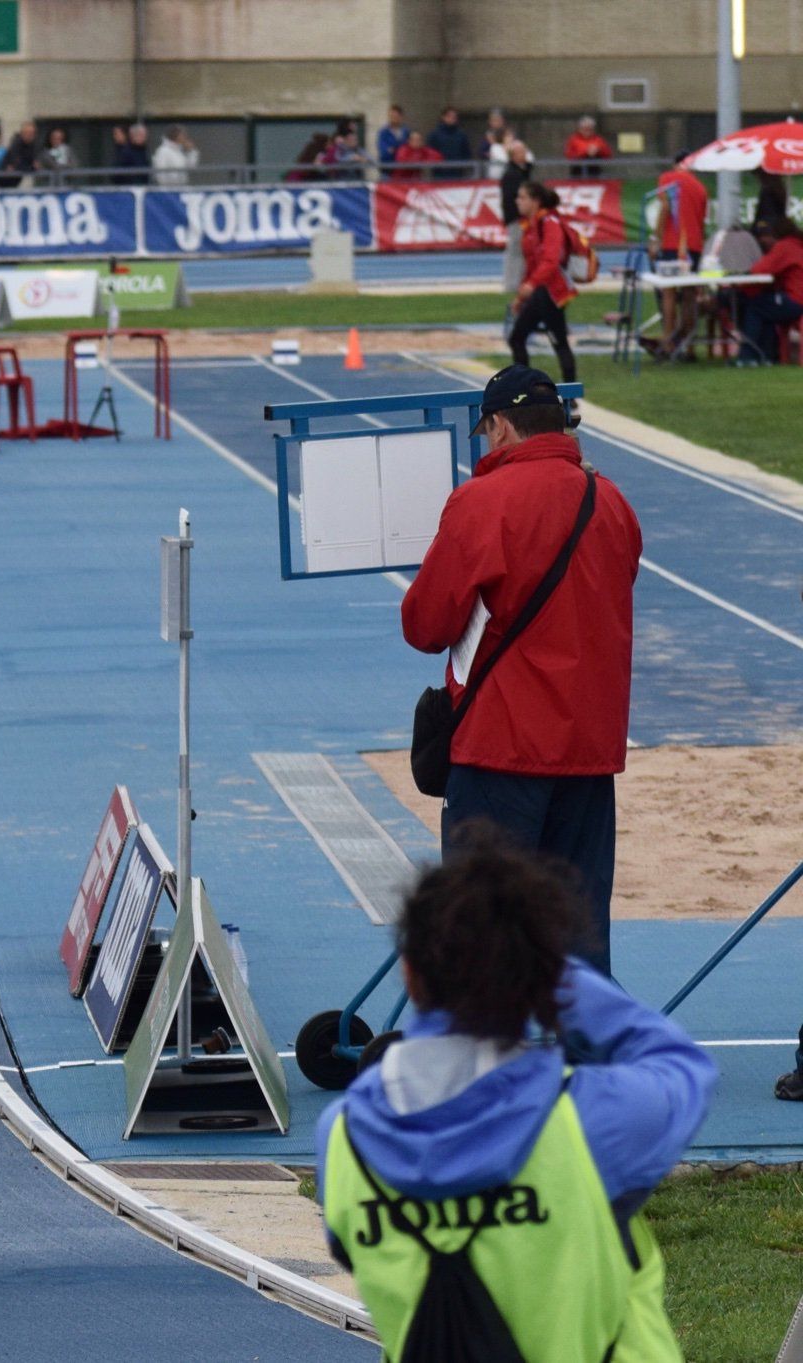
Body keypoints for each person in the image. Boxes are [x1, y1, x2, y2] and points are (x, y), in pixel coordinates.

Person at [316, 828, 714, 1362]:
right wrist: (564, 982)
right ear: (537, 980)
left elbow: (350, 1251)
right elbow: (686, 1068)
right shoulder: (594, 1119)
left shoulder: (342, 1137)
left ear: (410, 976)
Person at [401, 366, 642, 975]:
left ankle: (483, 1066)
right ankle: (587, 1063)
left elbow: (425, 626)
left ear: (501, 426)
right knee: (580, 932)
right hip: (589, 746)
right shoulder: (610, 500)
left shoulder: (482, 501)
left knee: (478, 928)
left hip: (501, 745)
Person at [509, 181, 580, 385]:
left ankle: (570, 394)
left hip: (552, 291)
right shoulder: (531, 226)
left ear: (535, 201)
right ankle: (523, 388)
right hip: (540, 289)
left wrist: (531, 285)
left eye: (522, 197)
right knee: (518, 338)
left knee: (557, 340)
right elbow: (531, 264)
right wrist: (521, 296)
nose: (517, 201)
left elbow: (551, 260)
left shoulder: (550, 222)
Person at [650, 150, 710, 358]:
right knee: (689, 295)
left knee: (668, 292)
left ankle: (668, 341)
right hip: (694, 246)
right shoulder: (701, 188)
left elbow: (665, 209)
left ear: (676, 164)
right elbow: (701, 222)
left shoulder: (668, 179)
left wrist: (655, 239)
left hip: (671, 244)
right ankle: (689, 344)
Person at [733, 217, 803, 365]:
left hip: (796, 300)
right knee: (766, 306)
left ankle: (748, 357)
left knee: (755, 307)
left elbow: (761, 269)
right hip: (797, 298)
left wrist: (741, 281)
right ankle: (768, 355)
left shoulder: (784, 247)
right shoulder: (797, 245)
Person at [498, 138, 534, 292]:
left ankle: (519, 281)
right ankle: (512, 284)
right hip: (517, 218)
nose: (524, 154)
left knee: (522, 250)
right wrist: (518, 215)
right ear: (513, 155)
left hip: (521, 217)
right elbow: (511, 199)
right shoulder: (511, 175)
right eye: (520, 152)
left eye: (524, 151)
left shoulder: (522, 171)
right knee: (515, 250)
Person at [427, 106, 473, 179]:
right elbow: (430, 153)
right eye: (449, 116)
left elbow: (466, 153)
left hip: (458, 173)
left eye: (454, 117)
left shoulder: (462, 135)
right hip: (439, 174)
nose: (452, 118)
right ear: (443, 117)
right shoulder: (434, 134)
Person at [0, 121, 41, 188]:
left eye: (31, 133)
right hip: (1, 182)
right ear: (21, 133)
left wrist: (33, 166)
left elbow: (37, 163)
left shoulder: (34, 145)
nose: (29, 135)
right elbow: (17, 165)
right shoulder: (16, 144)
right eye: (26, 133)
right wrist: (32, 167)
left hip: (15, 182)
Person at [752, 168, 792, 234]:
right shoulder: (779, 188)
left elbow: (767, 216)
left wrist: (759, 229)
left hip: (768, 232)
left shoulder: (768, 191)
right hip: (776, 230)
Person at [376, 106, 409, 173]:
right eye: (391, 116)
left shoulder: (406, 131)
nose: (393, 118)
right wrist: (399, 150)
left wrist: (395, 149)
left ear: (401, 117)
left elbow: (409, 148)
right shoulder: (383, 132)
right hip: (387, 169)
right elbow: (383, 150)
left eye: (396, 116)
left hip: (403, 170)